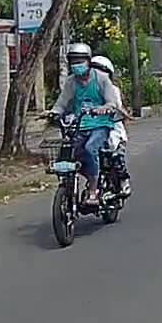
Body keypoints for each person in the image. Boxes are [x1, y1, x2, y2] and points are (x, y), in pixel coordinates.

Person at [48, 43, 122, 207]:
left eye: (80, 61)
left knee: (90, 148)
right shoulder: (71, 82)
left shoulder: (101, 79)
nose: (77, 65)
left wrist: (104, 108)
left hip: (100, 124)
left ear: (88, 61)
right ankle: (71, 183)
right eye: (73, 62)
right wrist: (54, 112)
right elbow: (61, 103)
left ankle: (93, 190)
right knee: (69, 153)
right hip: (80, 125)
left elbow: (112, 102)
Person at [88, 55, 132, 199]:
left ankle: (124, 182)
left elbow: (116, 107)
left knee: (116, 156)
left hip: (113, 129)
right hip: (91, 129)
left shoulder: (113, 90)